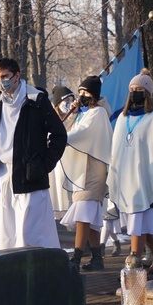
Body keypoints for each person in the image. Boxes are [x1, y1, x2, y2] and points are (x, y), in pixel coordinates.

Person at [0, 58, 67, 250]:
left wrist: (44, 164)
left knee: (30, 234)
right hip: (3, 175)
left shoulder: (36, 100)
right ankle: (10, 276)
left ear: (17, 76)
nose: (1, 81)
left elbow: (59, 135)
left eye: (5, 76)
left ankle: (38, 274)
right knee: (6, 234)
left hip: (30, 175)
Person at [107, 70, 153, 273]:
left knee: (138, 221)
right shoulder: (122, 118)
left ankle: (135, 264)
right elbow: (117, 149)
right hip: (126, 178)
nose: (135, 93)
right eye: (132, 90)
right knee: (141, 223)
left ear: (147, 93)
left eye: (139, 90)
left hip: (146, 179)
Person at [59, 76, 112, 271]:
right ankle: (97, 258)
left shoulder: (97, 113)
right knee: (88, 216)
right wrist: (72, 113)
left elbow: (80, 134)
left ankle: (77, 257)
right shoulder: (84, 113)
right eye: (79, 92)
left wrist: (60, 138)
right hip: (84, 171)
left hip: (94, 170)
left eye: (85, 92)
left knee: (83, 214)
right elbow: (71, 128)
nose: (81, 96)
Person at [49, 86, 76, 220]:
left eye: (71, 99)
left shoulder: (76, 117)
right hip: (57, 164)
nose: (69, 103)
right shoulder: (51, 120)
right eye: (66, 100)